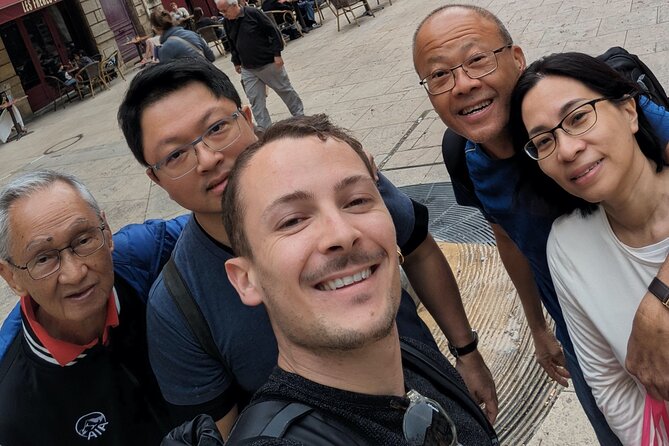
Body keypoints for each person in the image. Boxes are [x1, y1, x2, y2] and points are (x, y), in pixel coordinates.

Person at [117, 59, 497, 438]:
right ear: (155, 178)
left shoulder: (337, 181)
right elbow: (223, 430)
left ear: (247, 117)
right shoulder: (178, 306)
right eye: (175, 155)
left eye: (217, 128)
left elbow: (418, 247)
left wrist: (466, 352)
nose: (208, 159)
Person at [412, 4, 669, 444]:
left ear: (516, 58)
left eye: (477, 60)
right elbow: (508, 237)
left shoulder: (589, 111)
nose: (463, 84)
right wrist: (538, 325)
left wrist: (658, 300)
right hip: (583, 325)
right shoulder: (466, 156)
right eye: (439, 75)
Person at [222, 114, 497, 445]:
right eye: (293, 220)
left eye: (357, 201)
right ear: (246, 280)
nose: (341, 233)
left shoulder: (416, 360)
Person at [510, 52, 669, 445]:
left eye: (579, 117)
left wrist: (658, 301)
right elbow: (611, 387)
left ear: (629, 111)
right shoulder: (568, 247)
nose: (566, 150)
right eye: (544, 141)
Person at [0, 171, 174, 445]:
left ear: (106, 229)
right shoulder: (14, 405)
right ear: (11, 277)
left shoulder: (139, 265)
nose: (75, 273)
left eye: (83, 240)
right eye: (43, 258)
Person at [216, 0, 305, 131]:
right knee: (255, 100)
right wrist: (236, 61)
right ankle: (265, 130)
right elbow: (231, 42)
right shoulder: (227, 21)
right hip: (248, 68)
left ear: (234, 5)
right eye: (220, 11)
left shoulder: (253, 13)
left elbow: (273, 32)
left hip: (268, 62)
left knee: (284, 90)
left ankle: (300, 117)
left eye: (224, 11)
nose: (223, 14)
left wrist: (277, 54)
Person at [150, 8, 215, 64]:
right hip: (210, 74)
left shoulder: (165, 49)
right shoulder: (191, 33)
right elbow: (211, 57)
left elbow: (169, 75)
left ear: (157, 27)